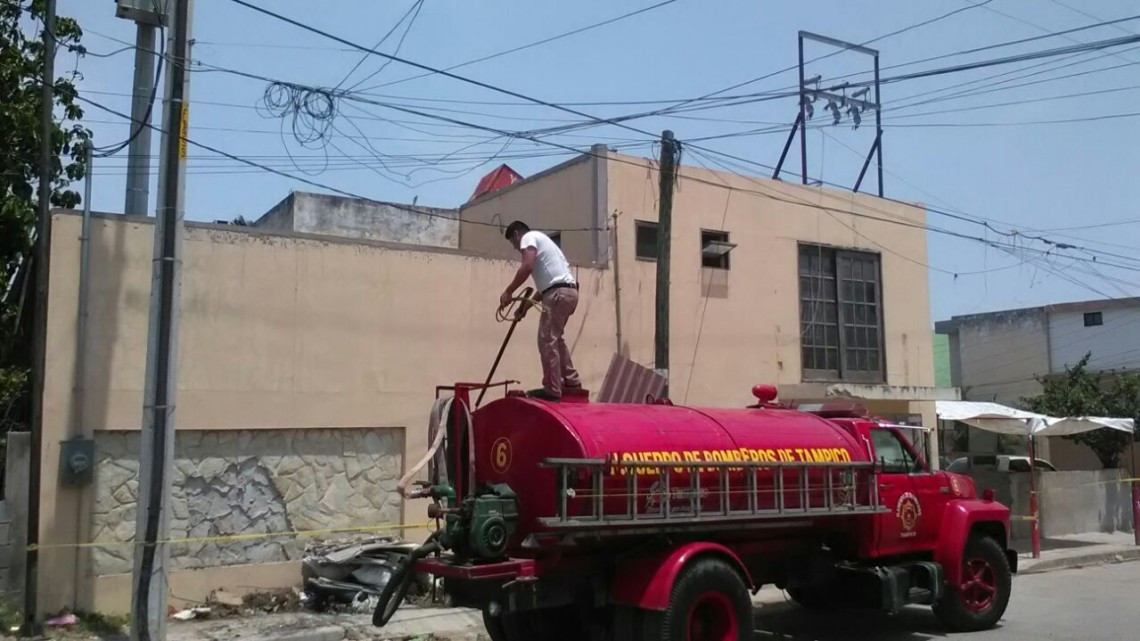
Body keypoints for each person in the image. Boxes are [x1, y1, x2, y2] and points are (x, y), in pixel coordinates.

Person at [499, 220, 581, 401]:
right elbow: (545, 289)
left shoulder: (528, 237)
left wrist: (509, 291)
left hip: (558, 293)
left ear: (516, 235)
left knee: (546, 338)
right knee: (555, 337)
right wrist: (525, 307)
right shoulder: (547, 246)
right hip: (567, 292)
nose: (517, 249)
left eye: (514, 244)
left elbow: (527, 267)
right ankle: (571, 381)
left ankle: (552, 388)